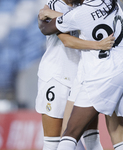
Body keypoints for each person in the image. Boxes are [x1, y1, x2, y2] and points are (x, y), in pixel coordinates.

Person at [38, 0, 123, 149]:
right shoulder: (111, 3)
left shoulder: (82, 12)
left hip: (100, 74)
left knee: (70, 132)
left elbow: (47, 28)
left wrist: (45, 14)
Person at [35, 0, 114, 150]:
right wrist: (97, 45)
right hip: (56, 77)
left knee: (91, 137)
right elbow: (66, 40)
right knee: (52, 142)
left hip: (82, 77)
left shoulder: (84, 6)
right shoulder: (54, 5)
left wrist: (62, 16)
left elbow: (85, 21)